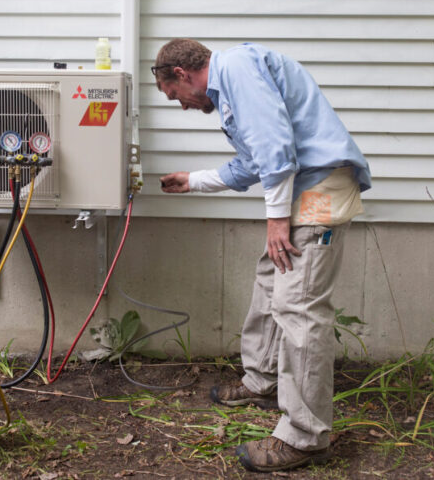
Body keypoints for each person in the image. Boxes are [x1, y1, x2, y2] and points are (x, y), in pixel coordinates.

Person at [153, 39, 371, 473]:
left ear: (181, 73)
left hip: (319, 189)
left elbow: (274, 146)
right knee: (273, 277)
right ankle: (264, 380)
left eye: (174, 96)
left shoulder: (234, 67)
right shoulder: (234, 86)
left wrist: (276, 221)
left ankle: (305, 437)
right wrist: (193, 180)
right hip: (305, 187)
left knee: (299, 306)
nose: (182, 107)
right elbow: (253, 162)